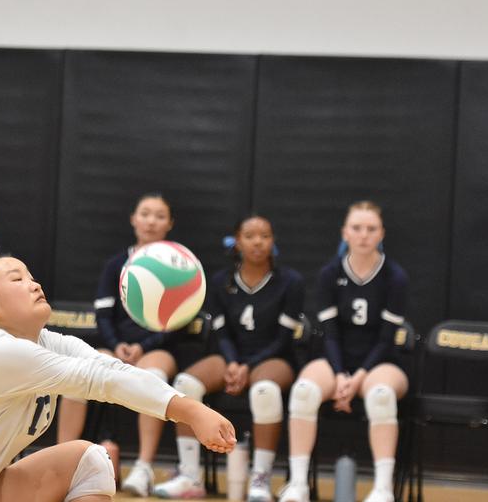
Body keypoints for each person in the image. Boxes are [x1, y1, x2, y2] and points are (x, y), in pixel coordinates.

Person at [0, 254, 237, 501]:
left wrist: (189, 408)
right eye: (17, 279)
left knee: (90, 461)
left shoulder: (48, 342)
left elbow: (112, 371)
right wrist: (191, 411)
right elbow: (99, 381)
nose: (33, 283)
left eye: (30, 275)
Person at [153, 215, 304, 501]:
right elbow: (222, 334)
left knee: (265, 391)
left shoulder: (290, 282)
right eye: (250, 235)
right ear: (237, 242)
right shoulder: (221, 281)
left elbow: (283, 339)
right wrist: (234, 362)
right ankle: (189, 475)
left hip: (273, 358)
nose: (258, 241)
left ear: (273, 242)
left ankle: (260, 479)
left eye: (265, 235)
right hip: (230, 357)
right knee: (184, 384)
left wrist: (247, 366)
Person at [57, 192, 191, 497]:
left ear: (169, 223)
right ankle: (62, 462)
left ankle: (143, 468)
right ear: (133, 219)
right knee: (77, 376)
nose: (151, 221)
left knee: (152, 379)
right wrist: (118, 345)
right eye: (145, 213)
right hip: (114, 345)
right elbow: (103, 315)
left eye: (159, 215)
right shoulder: (116, 264)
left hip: (157, 347)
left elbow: (176, 320)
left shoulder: (178, 265)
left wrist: (143, 347)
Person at [278, 201, 409, 502]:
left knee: (380, 396)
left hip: (380, 363)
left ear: (382, 234)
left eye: (371, 229)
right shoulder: (329, 274)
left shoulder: (395, 277)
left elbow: (386, 339)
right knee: (304, 392)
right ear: (345, 233)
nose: (364, 235)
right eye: (357, 228)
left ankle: (383, 489)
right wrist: (339, 375)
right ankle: (298, 485)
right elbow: (331, 334)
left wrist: (359, 378)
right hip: (337, 358)